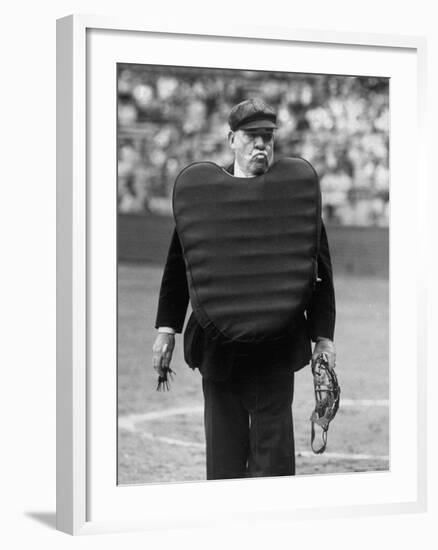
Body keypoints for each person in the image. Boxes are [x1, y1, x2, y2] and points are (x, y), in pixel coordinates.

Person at [152, 98, 336, 480]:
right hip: (219, 350)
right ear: (231, 139)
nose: (261, 145)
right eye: (252, 136)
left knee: (275, 460)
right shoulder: (204, 196)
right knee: (224, 459)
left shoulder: (294, 196)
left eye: (268, 137)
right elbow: (180, 264)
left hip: (276, 348)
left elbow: (319, 272)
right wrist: (166, 328)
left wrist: (323, 337)